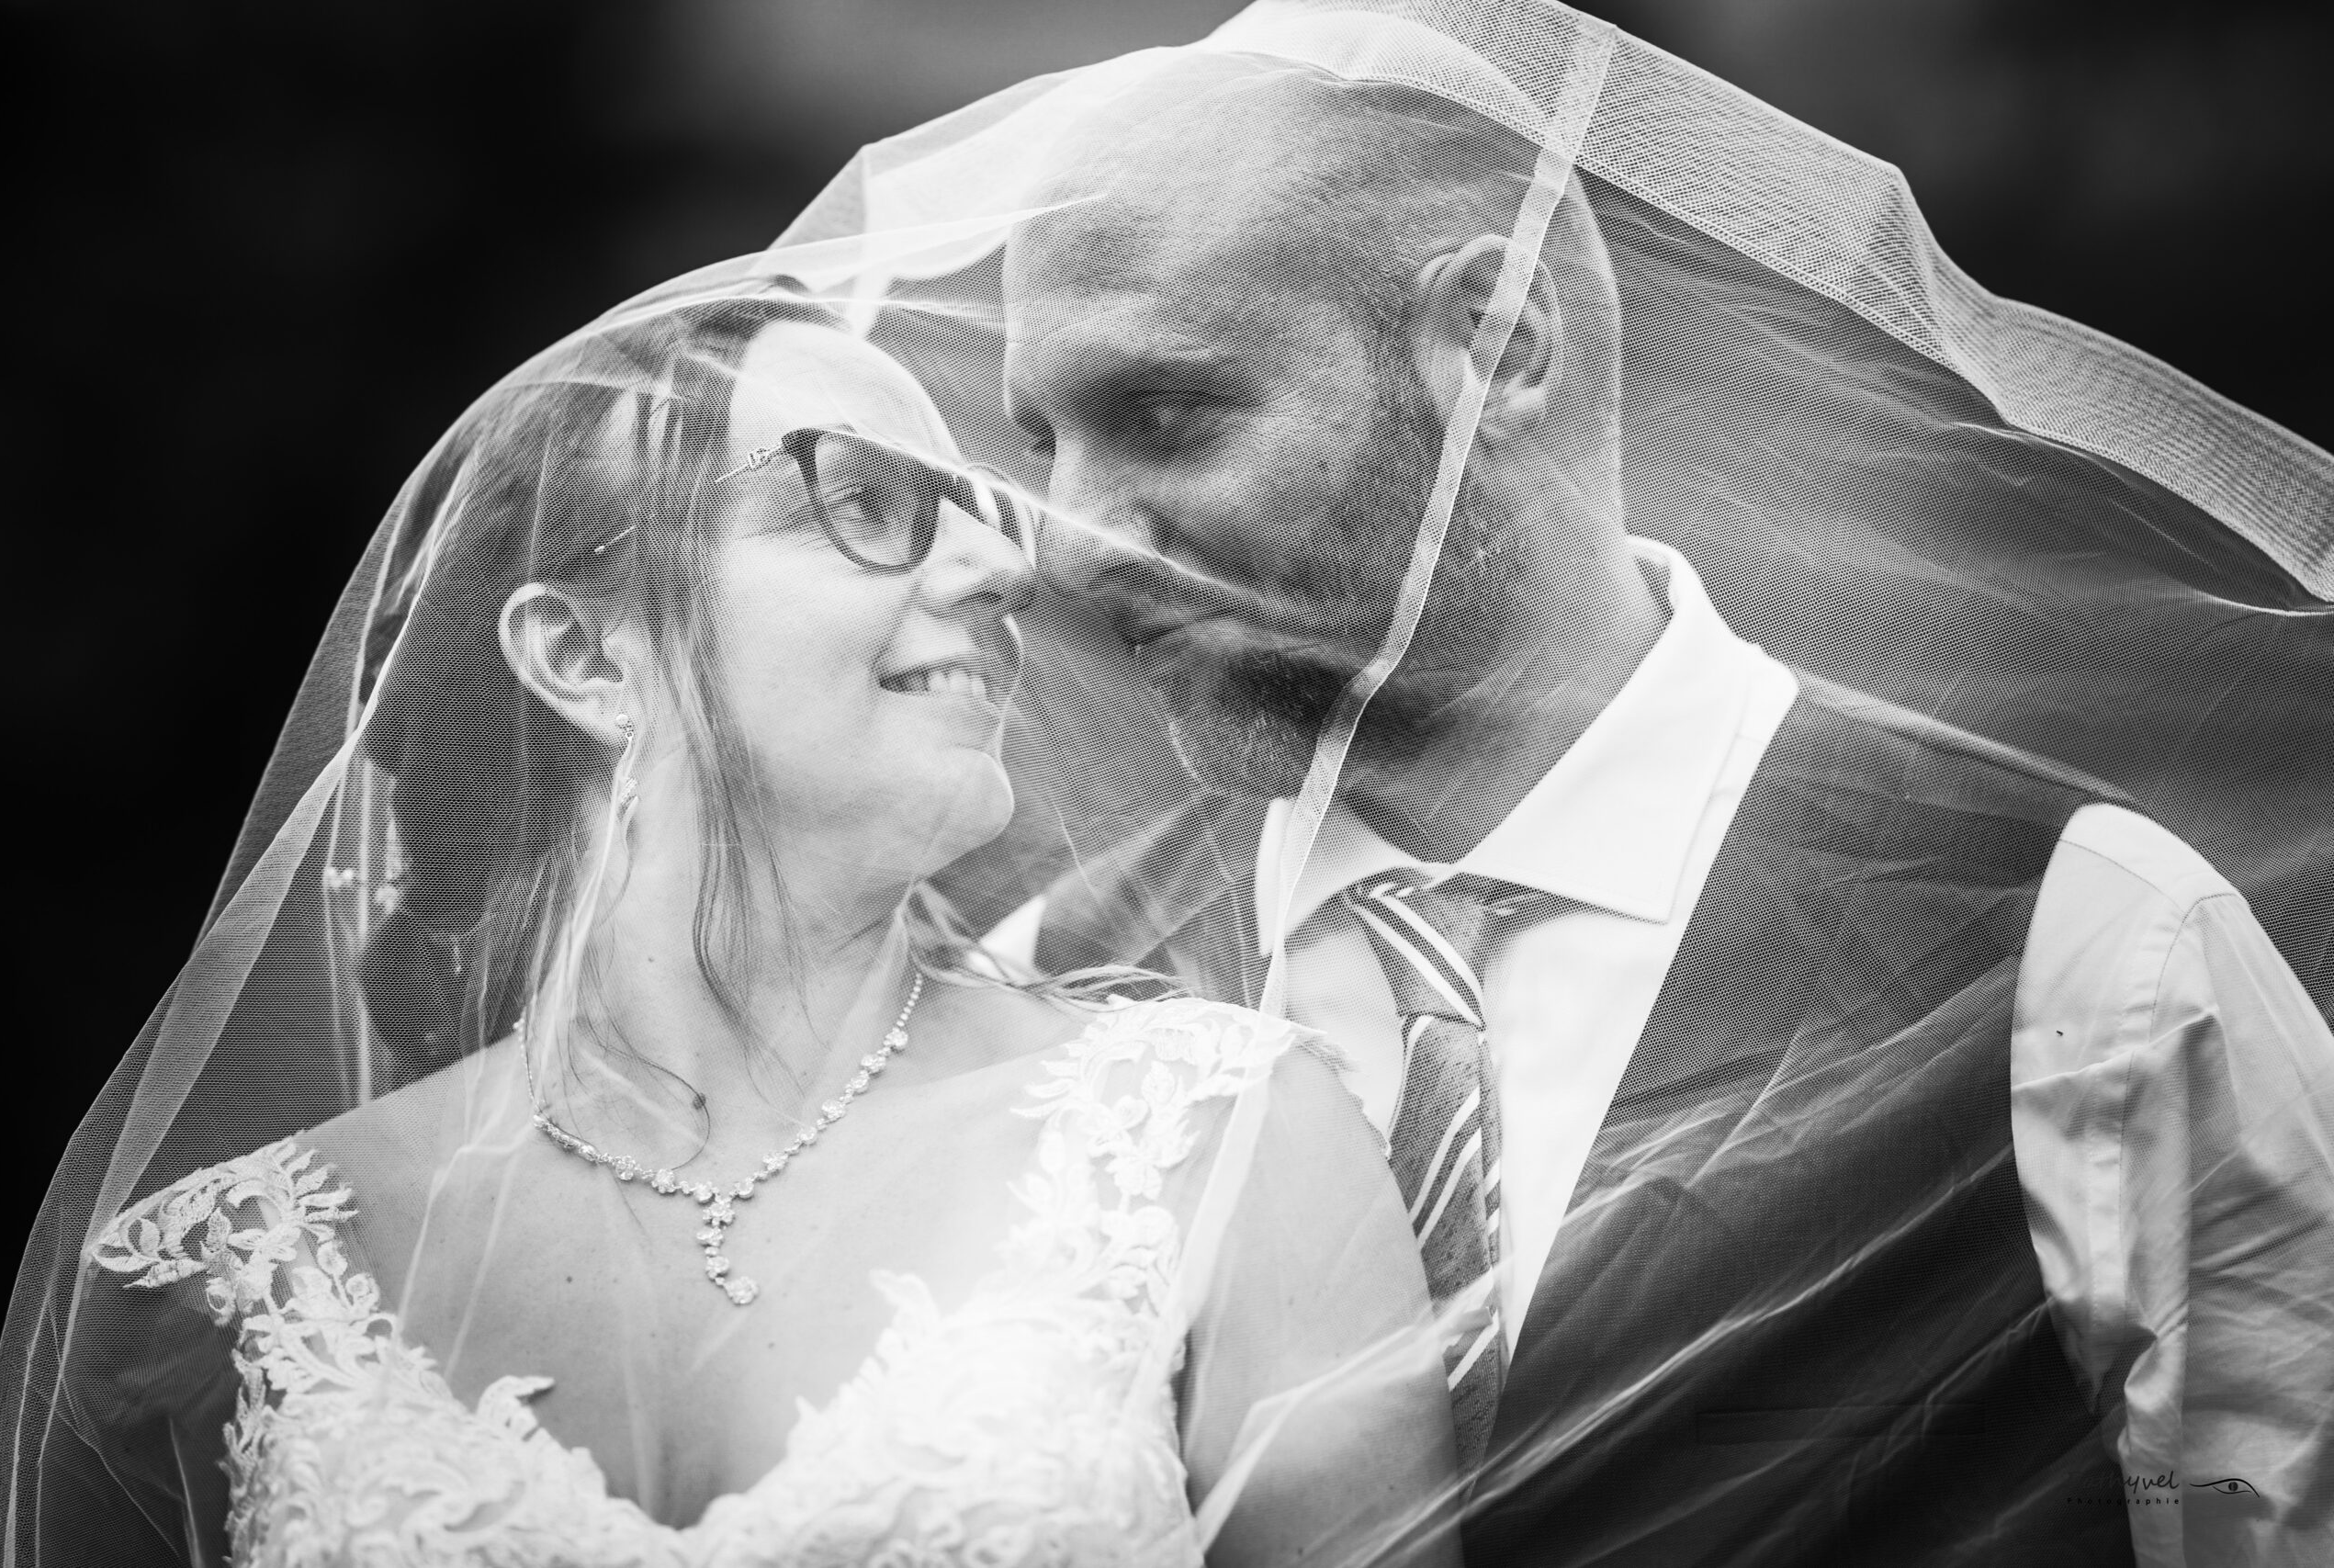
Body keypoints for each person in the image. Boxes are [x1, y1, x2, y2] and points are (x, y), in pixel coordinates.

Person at [981, 29, 2334, 1568]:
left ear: (1499, 345)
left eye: (1166, 416)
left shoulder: (2083, 950)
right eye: (1042, 443)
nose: (1068, 543)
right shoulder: (1050, 991)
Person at [0, 289, 1459, 1565]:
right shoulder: (224, 1283)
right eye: (862, 504)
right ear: (584, 656)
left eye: (976, 508)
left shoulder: (1219, 1144)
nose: (1007, 568)